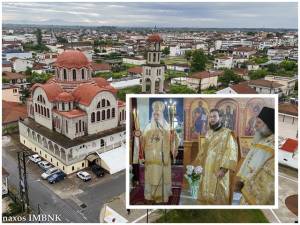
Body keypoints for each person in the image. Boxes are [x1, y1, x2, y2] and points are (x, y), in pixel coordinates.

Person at [194, 109, 238, 204]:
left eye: (214, 116)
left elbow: (230, 151)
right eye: (210, 117)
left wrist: (223, 169)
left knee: (218, 195)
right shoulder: (209, 133)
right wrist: (198, 165)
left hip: (218, 170)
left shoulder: (227, 133)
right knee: (205, 194)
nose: (212, 119)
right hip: (206, 169)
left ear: (220, 118)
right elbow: (203, 150)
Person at [141, 101, 179, 204]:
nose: (156, 116)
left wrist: (173, 136)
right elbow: (143, 141)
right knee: (151, 176)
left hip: (163, 158)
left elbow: (174, 139)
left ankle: (163, 195)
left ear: (161, 115)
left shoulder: (167, 127)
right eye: (154, 114)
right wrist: (139, 136)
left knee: (162, 176)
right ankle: (151, 195)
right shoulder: (148, 127)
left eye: (158, 114)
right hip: (151, 158)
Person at [235, 107, 275, 205]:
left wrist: (245, 182)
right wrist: (242, 181)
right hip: (247, 187)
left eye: (259, 122)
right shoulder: (261, 140)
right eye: (256, 122)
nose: (255, 125)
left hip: (255, 191)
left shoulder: (271, 145)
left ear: (268, 124)